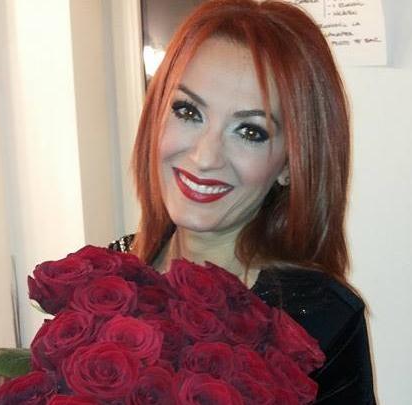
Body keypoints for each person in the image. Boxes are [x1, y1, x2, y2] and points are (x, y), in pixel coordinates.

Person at [109, 0, 376, 403]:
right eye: (188, 111)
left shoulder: (321, 318)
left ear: (291, 164)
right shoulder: (109, 277)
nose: (205, 157)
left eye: (250, 132)